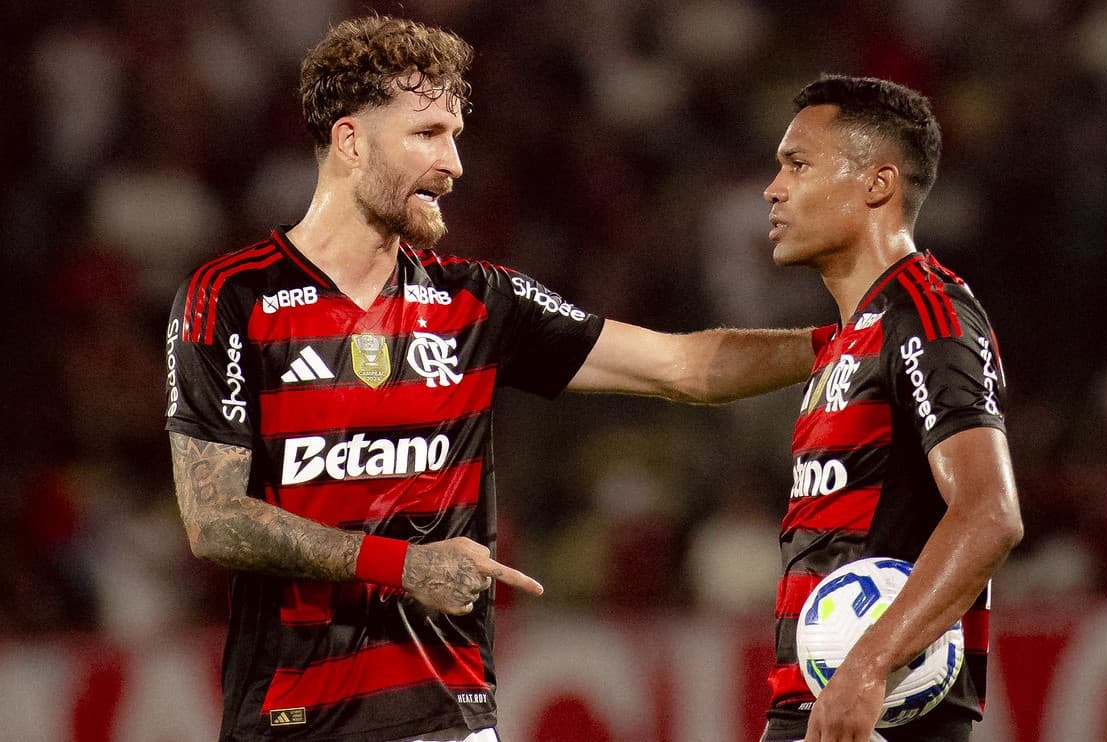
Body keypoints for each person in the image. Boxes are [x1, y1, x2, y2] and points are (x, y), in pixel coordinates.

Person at [165, 15, 817, 742]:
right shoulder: (231, 297)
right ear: (350, 141)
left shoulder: (476, 300)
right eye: (427, 134)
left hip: (446, 720)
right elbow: (213, 517)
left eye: (456, 134)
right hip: (287, 720)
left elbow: (685, 367)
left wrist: (846, 338)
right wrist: (403, 565)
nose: (455, 164)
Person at [759, 75, 1024, 742]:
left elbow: (990, 512)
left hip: (884, 714)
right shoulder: (854, 337)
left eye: (797, 164)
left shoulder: (929, 314)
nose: (774, 188)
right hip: (819, 709)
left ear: (877, 185)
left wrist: (868, 668)